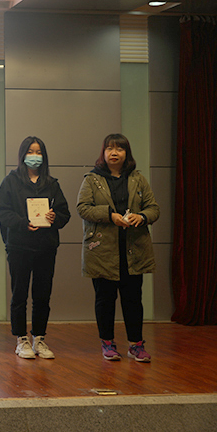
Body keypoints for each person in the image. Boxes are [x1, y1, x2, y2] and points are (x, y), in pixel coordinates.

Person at [77, 133, 159, 362]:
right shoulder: (92, 179)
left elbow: (153, 208)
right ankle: (107, 343)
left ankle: (136, 345)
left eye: (119, 149)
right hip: (102, 250)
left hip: (133, 249)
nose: (114, 153)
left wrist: (141, 217)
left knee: (133, 299)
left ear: (126, 153)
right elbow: (83, 208)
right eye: (110, 148)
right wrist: (109, 215)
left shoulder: (138, 179)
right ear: (103, 153)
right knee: (105, 299)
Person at [0, 136, 70, 360]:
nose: (34, 156)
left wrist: (55, 217)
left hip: (46, 247)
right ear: (22, 155)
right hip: (19, 246)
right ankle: (21, 339)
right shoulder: (11, 181)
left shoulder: (52, 183)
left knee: (42, 295)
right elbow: (2, 211)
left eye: (38, 152)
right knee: (19, 294)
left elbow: (64, 213)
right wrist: (22, 223)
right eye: (30, 151)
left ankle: (39, 338)